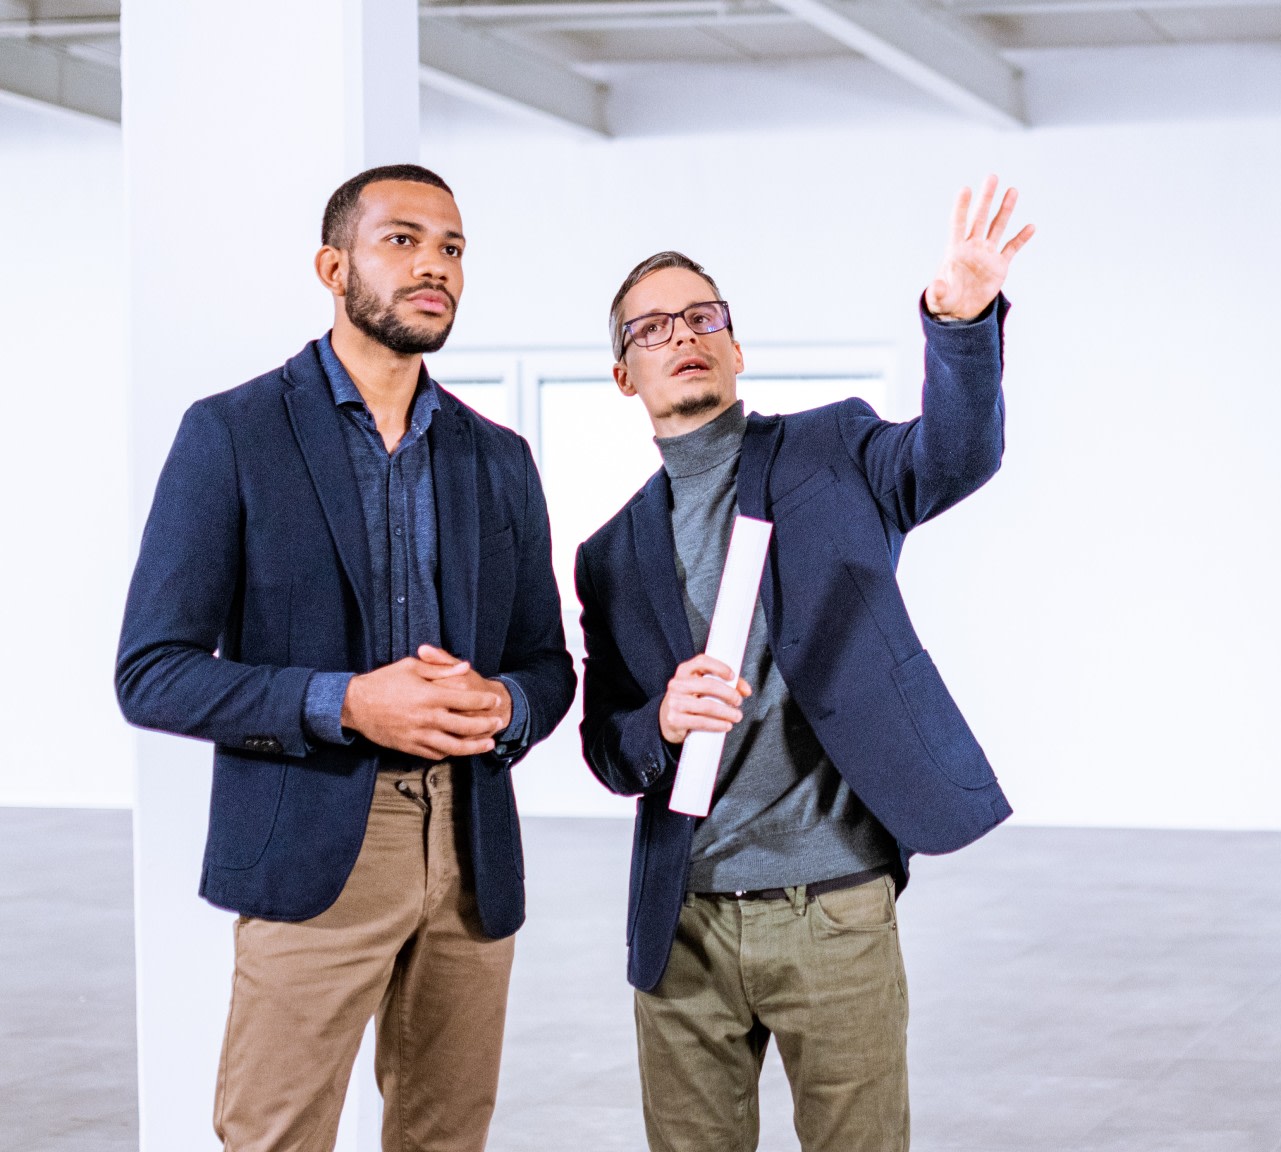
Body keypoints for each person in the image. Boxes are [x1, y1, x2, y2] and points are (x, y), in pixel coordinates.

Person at [116, 163, 575, 1152]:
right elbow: (151, 670)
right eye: (402, 240)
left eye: (451, 248)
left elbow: (547, 662)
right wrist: (348, 704)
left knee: (446, 1137)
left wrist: (503, 705)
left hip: (469, 849)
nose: (434, 267)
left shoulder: (497, 457)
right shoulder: (232, 433)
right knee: (274, 1136)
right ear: (333, 267)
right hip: (314, 845)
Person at [574, 177, 1034, 1151]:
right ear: (623, 374)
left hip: (831, 914)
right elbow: (608, 750)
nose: (681, 334)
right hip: (682, 923)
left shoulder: (830, 451)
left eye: (701, 315)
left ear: (735, 345)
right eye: (651, 328)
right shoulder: (610, 554)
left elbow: (953, 457)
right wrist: (655, 721)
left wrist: (960, 322)